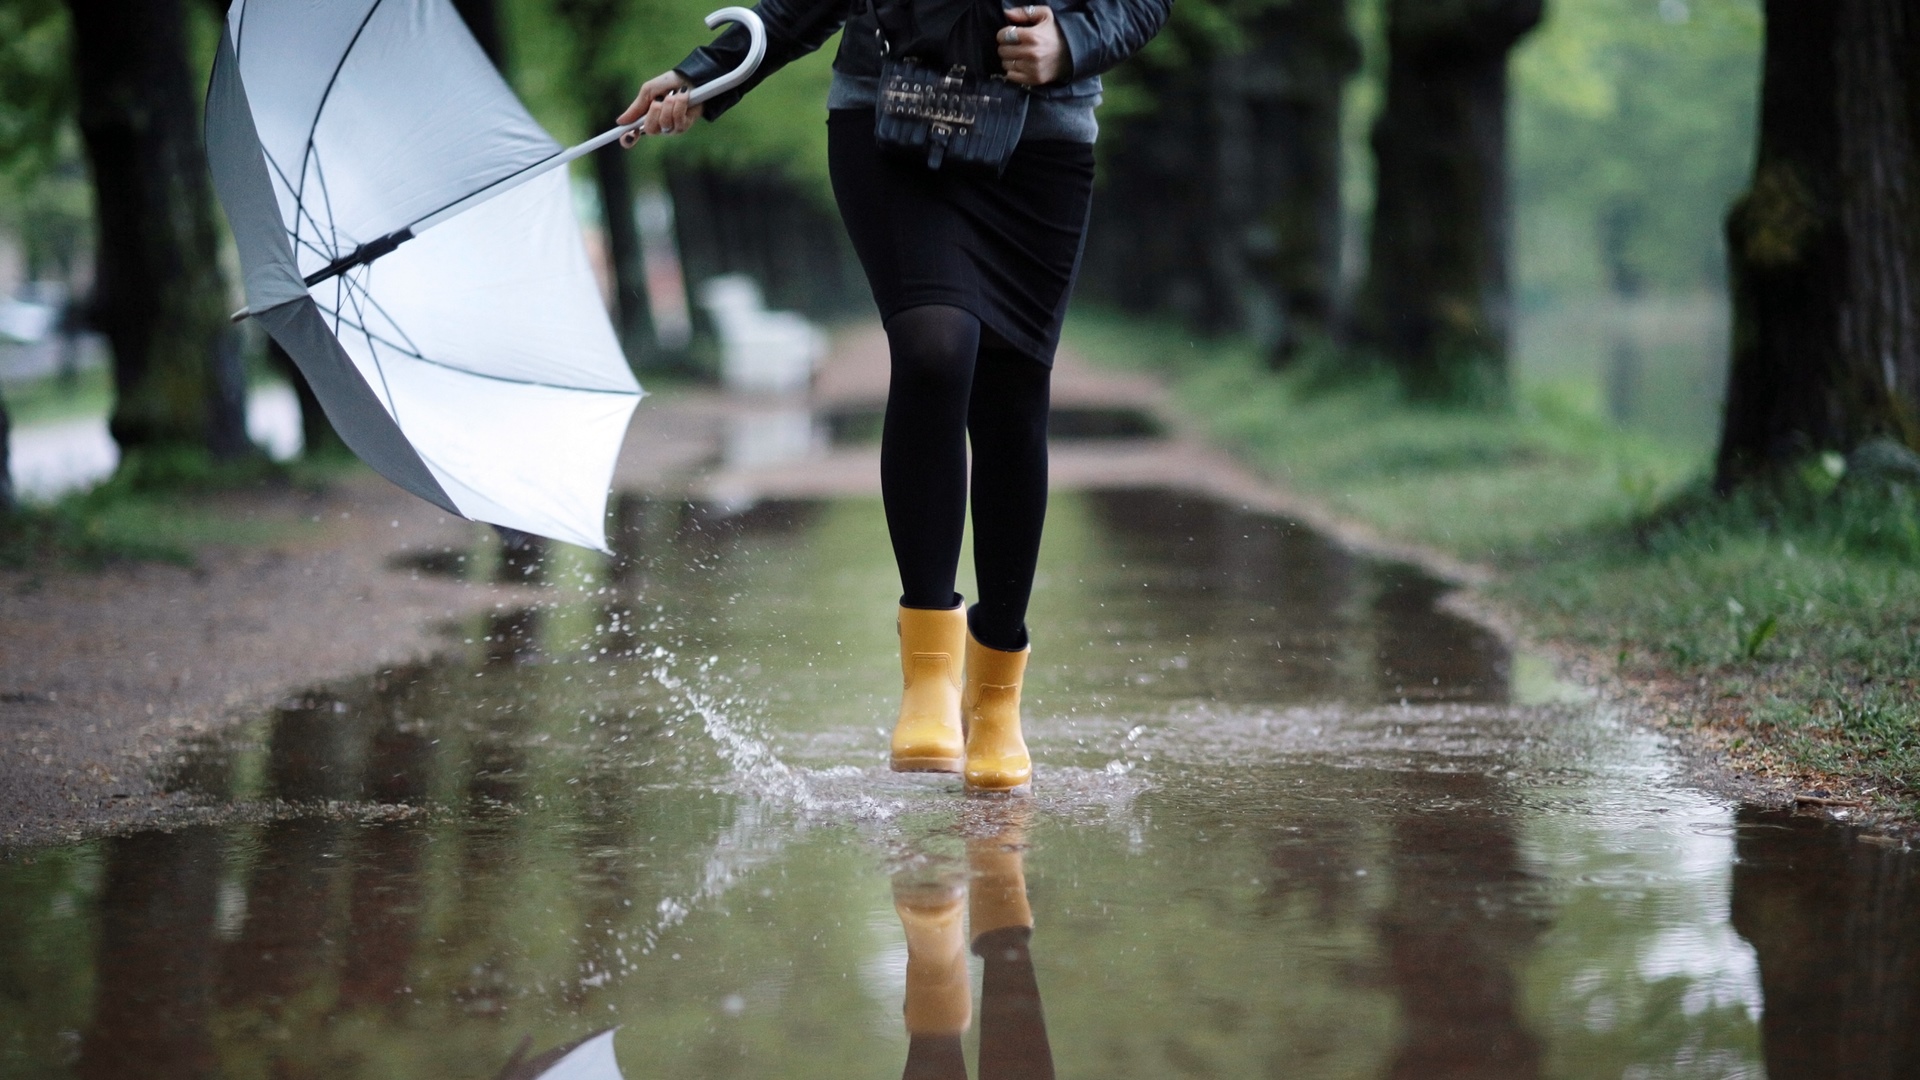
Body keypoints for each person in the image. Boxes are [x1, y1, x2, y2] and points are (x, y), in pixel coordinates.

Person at [623, 0, 1171, 792]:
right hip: (893, 117)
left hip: (1041, 137)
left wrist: (1073, 41)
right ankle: (928, 675)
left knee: (1012, 399)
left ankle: (997, 698)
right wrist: (707, 72)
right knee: (935, 348)